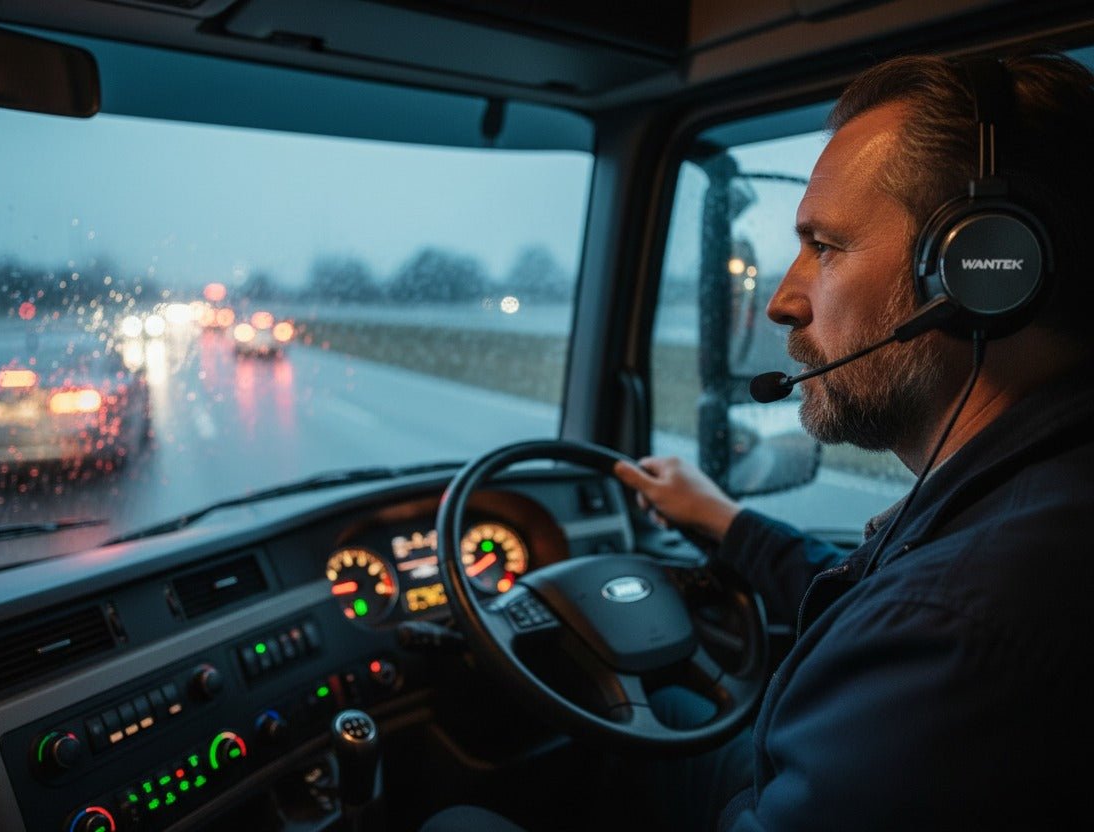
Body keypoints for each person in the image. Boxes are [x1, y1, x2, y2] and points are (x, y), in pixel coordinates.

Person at [423, 50, 1094, 831]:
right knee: (663, 718)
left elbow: (911, 607)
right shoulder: (1029, 499)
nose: (781, 301)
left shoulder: (952, 633)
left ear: (982, 270)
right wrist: (725, 521)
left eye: (825, 246)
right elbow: (881, 591)